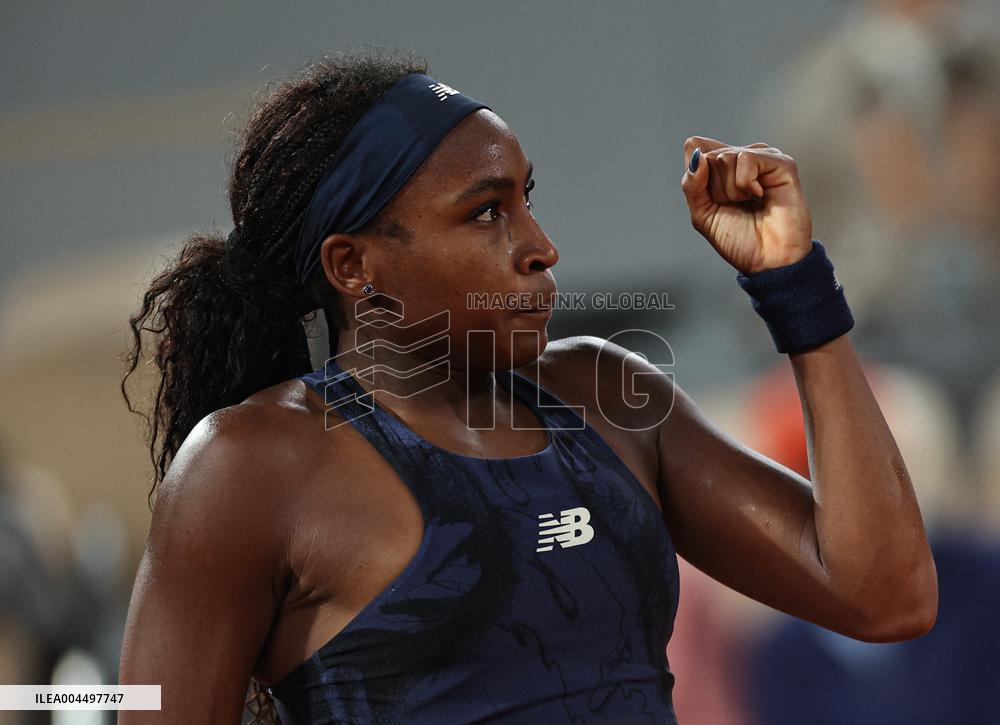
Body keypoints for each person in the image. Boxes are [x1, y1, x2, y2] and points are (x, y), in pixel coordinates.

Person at [116, 52, 938, 724]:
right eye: (485, 213)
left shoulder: (608, 396)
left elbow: (884, 595)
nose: (540, 246)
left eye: (526, 200)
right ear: (354, 266)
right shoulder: (251, 465)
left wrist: (796, 289)